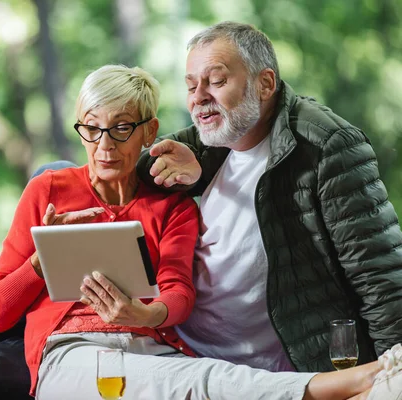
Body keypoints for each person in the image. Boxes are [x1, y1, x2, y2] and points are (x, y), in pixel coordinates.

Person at [0, 64, 397, 400]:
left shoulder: (172, 205)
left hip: (152, 348)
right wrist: (40, 260)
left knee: (199, 378)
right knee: (198, 383)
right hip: (71, 353)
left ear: (148, 131)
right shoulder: (49, 190)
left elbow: (178, 293)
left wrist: (147, 313)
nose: (104, 145)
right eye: (91, 128)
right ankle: (353, 384)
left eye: (121, 128)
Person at [136, 21, 402, 376]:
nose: (198, 96)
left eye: (216, 81)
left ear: (265, 84)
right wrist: (194, 175)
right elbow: (135, 170)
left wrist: (391, 374)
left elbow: (379, 276)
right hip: (190, 356)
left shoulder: (327, 144)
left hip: (283, 373)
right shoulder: (212, 137)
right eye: (190, 85)